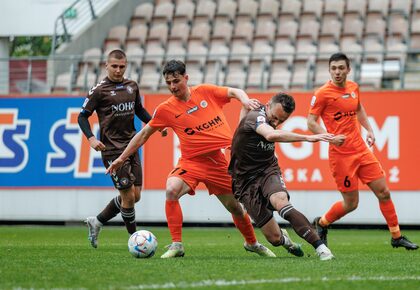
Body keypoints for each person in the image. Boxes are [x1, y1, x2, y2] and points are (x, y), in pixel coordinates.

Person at [106, 59, 296, 259]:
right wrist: (121, 158)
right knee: (171, 190)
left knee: (236, 208)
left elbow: (234, 91)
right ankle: (177, 244)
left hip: (219, 162)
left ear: (186, 78)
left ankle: (252, 243)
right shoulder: (165, 109)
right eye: (169, 82)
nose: (173, 86)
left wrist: (245, 101)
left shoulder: (205, 92)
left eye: (176, 81)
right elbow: (144, 134)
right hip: (191, 162)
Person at [307, 52, 418, 250]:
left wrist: (369, 129)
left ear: (348, 69)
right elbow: (310, 123)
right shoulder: (322, 93)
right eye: (334, 68)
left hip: (361, 150)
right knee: (351, 204)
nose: (337, 72)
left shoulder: (353, 87)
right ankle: (322, 223)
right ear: (329, 70)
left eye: (341, 68)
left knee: (384, 192)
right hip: (340, 156)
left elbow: (358, 109)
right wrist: (330, 137)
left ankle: (396, 236)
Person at [229, 92, 335, 261]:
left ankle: (321, 248)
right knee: (274, 239)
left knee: (281, 203)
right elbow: (270, 135)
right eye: (275, 117)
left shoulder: (269, 116)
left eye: (282, 120)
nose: (276, 122)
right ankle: (287, 241)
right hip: (244, 182)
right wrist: (308, 138)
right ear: (268, 104)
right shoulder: (256, 116)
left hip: (267, 170)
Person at [78, 49, 165, 248]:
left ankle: (97, 221)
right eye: (114, 66)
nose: (118, 70)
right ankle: (135, 240)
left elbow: (139, 110)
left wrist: (156, 125)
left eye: (122, 66)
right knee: (127, 196)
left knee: (135, 196)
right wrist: (91, 139)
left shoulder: (131, 86)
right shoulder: (99, 90)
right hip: (111, 150)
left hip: (132, 146)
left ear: (126, 66)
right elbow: (82, 116)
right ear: (106, 66)